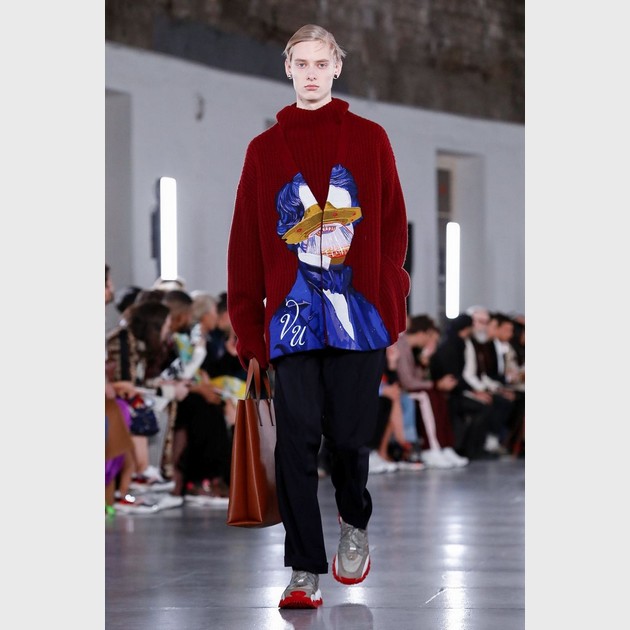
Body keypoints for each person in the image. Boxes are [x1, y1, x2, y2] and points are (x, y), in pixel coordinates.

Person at [227, 24, 410, 609]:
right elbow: (246, 245)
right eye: (301, 63)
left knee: (351, 440)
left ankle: (354, 522)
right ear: (287, 67)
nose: (311, 74)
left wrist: (389, 294)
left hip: (361, 317)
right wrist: (248, 330)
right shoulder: (263, 151)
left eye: (320, 63)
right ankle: (304, 569)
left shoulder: (370, 138)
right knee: (296, 443)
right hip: (289, 321)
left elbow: (392, 224)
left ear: (337, 67)